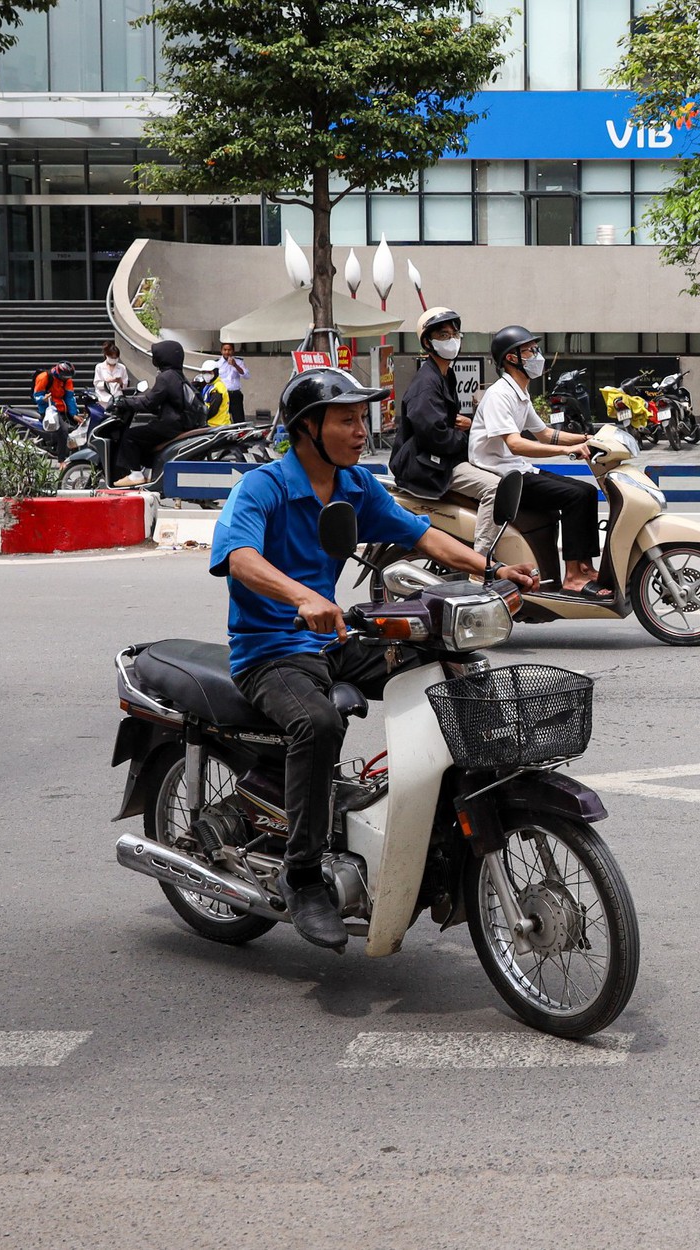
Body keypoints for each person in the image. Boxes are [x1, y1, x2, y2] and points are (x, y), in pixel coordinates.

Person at [210, 366, 538, 951]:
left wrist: (492, 569)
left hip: (331, 642)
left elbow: (421, 535)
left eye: (363, 419)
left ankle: (442, 804)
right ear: (308, 429)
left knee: (438, 662)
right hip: (271, 651)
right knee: (319, 722)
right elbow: (238, 558)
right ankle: (304, 874)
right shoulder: (261, 487)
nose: (362, 430)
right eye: (347, 420)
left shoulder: (355, 486)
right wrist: (304, 596)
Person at [467, 324, 606, 596]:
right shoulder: (499, 394)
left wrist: (587, 439)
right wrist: (568, 451)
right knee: (574, 497)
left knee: (587, 491)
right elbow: (516, 443)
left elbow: (544, 434)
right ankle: (573, 577)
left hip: (519, 470)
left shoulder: (520, 392)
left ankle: (584, 567)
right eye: (529, 351)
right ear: (511, 358)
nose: (536, 356)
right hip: (503, 476)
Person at [390, 307, 500, 524]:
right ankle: (481, 556)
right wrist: (467, 438)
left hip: (441, 460)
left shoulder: (446, 375)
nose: (452, 340)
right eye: (443, 335)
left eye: (455, 334)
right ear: (427, 343)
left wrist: (468, 425)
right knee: (496, 489)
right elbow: (435, 436)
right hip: (428, 466)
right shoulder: (426, 384)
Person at [114, 339, 198, 487]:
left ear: (163, 357)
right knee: (147, 436)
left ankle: (136, 474)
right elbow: (160, 402)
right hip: (179, 423)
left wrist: (124, 402)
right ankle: (149, 471)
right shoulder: (177, 375)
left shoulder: (165, 377)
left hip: (170, 425)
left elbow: (149, 402)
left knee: (131, 436)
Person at [217, 342, 249, 424]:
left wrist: (235, 365)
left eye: (229, 350)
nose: (227, 352)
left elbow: (246, 376)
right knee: (222, 418)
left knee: (239, 420)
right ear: (221, 351)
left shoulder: (239, 362)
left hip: (234, 394)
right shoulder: (217, 363)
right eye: (225, 350)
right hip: (221, 395)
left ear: (233, 351)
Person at [92, 341, 129, 406]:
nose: (114, 359)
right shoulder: (99, 367)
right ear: (106, 355)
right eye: (112, 357)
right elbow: (96, 383)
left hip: (117, 398)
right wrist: (108, 381)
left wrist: (120, 382)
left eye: (115, 358)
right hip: (103, 399)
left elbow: (124, 385)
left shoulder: (122, 368)